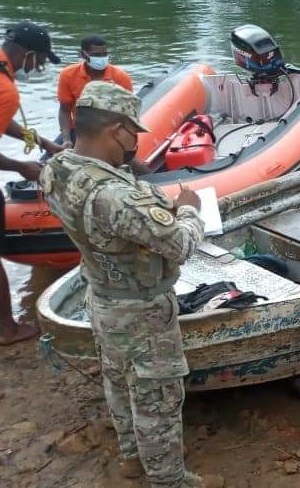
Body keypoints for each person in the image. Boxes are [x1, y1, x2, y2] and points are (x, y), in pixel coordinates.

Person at [40, 81, 207, 487]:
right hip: (142, 310)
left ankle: (132, 457)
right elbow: (180, 244)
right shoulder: (113, 195)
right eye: (133, 133)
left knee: (117, 380)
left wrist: (144, 195)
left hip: (101, 296)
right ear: (116, 130)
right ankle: (169, 481)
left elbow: (110, 216)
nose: (134, 143)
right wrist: (189, 211)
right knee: (158, 398)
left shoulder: (56, 170)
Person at [1, 21, 63, 345]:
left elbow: (3, 119)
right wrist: (20, 166)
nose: (38, 68)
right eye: (39, 61)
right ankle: (7, 330)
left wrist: (42, 141)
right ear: (27, 54)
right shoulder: (7, 88)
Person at [57, 34, 133, 148]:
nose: (102, 59)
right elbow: (64, 110)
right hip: (79, 132)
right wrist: (66, 139)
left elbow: (128, 114)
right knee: (51, 158)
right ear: (83, 54)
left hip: (110, 133)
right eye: (97, 55)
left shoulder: (121, 77)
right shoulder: (67, 75)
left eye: (105, 55)